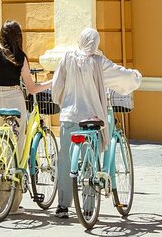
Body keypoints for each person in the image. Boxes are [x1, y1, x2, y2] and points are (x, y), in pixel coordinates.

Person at [51, 28, 142, 218]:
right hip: (90, 120)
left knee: (66, 161)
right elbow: (123, 76)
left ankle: (62, 206)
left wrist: (64, 103)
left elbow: (56, 85)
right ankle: (89, 207)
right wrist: (136, 75)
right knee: (89, 162)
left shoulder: (67, 58)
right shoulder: (99, 63)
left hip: (68, 117)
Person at [0, 20, 50, 214]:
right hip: (15, 102)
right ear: (18, 37)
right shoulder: (20, 56)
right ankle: (13, 204)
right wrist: (50, 83)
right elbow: (32, 88)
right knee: (16, 151)